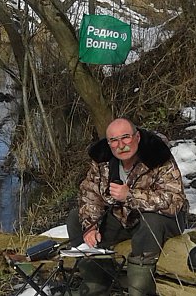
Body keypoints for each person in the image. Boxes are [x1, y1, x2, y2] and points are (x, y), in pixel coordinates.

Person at [66, 118, 188, 296]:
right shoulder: (102, 161)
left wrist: (130, 196)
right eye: (114, 141)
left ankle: (140, 289)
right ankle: (97, 282)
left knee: (150, 221)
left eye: (125, 138)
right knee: (75, 218)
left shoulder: (158, 156)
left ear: (137, 137)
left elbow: (174, 200)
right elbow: (89, 194)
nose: (121, 145)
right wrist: (91, 226)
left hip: (162, 220)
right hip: (123, 218)